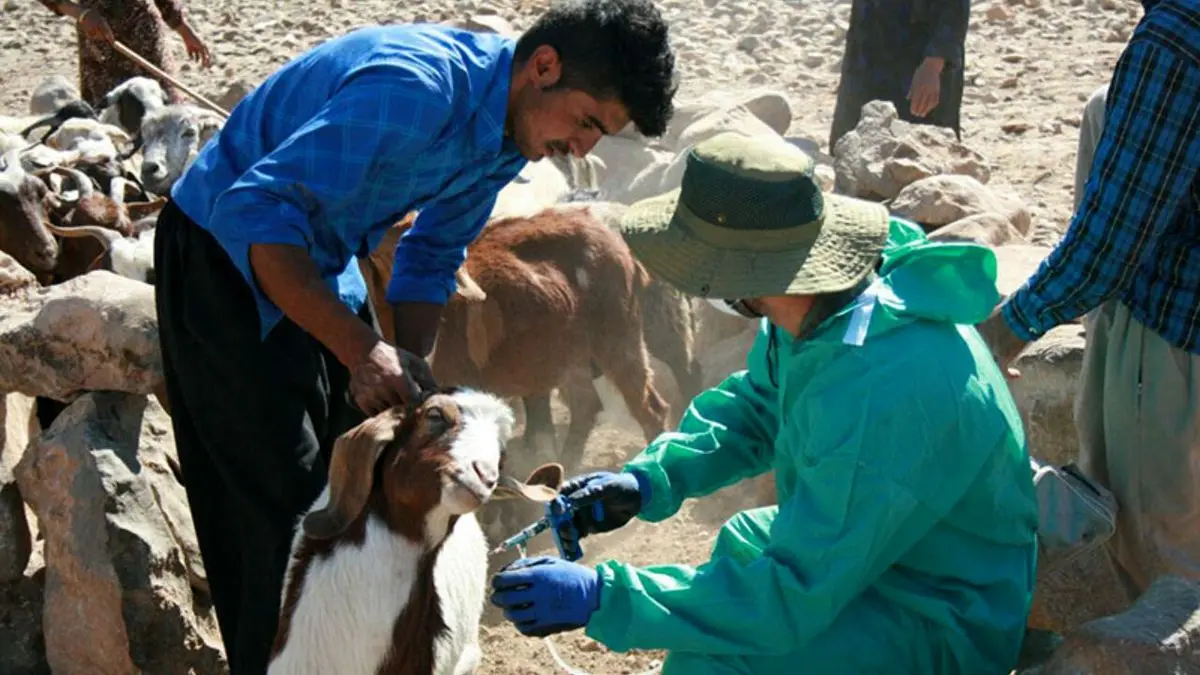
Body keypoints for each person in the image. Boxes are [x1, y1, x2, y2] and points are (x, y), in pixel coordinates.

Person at [152, 0, 677, 671]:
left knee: (364, 474)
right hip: (223, 261)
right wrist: (357, 347)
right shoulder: (416, 92)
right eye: (586, 123)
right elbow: (255, 214)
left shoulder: (505, 136)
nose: (581, 150)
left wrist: (413, 377)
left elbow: (429, 256)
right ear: (543, 67)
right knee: (280, 518)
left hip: (318, 259)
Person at [489, 131, 1039, 674]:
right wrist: (652, 481)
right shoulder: (828, 307)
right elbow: (757, 407)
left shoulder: (878, 386)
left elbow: (792, 594)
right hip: (893, 552)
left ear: (749, 273)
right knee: (743, 543)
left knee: (719, 663)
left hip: (939, 609)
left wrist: (605, 597)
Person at [977, 0, 1199, 603]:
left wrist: (999, 335)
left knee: (1162, 575)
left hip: (1177, 335)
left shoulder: (1179, 36)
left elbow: (1108, 244)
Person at [828, 0, 969, 151]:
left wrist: (933, 64)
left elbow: (955, 7)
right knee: (852, 148)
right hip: (867, 57)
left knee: (920, 152)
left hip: (918, 61)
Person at [37, 0, 212, 106]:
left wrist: (184, 30)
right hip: (102, 43)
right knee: (111, 117)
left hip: (147, 38)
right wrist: (81, 14)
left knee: (165, 109)